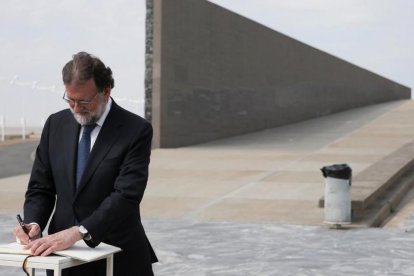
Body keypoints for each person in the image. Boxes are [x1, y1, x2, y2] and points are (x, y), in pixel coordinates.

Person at [13, 51, 158, 275]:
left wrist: (80, 231)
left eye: (84, 101)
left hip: (118, 256)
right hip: (62, 258)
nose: (76, 108)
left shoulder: (136, 130)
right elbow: (40, 188)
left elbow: (126, 195)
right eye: (70, 99)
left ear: (106, 91)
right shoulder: (55, 125)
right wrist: (34, 223)